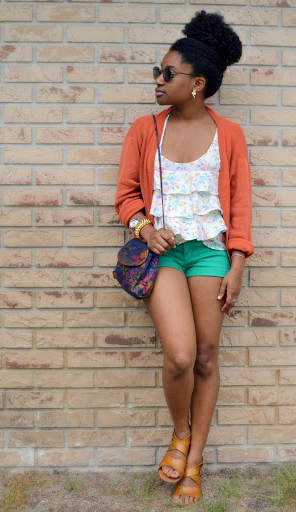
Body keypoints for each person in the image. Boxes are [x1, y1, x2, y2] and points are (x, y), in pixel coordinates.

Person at [114, 10, 254, 505]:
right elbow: (126, 196)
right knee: (180, 357)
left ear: (197, 84)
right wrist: (144, 228)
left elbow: (241, 206)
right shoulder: (145, 130)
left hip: (211, 255)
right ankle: (180, 433)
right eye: (158, 70)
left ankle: (194, 461)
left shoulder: (229, 134)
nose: (158, 79)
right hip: (167, 256)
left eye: (167, 73)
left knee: (207, 357)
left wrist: (237, 265)